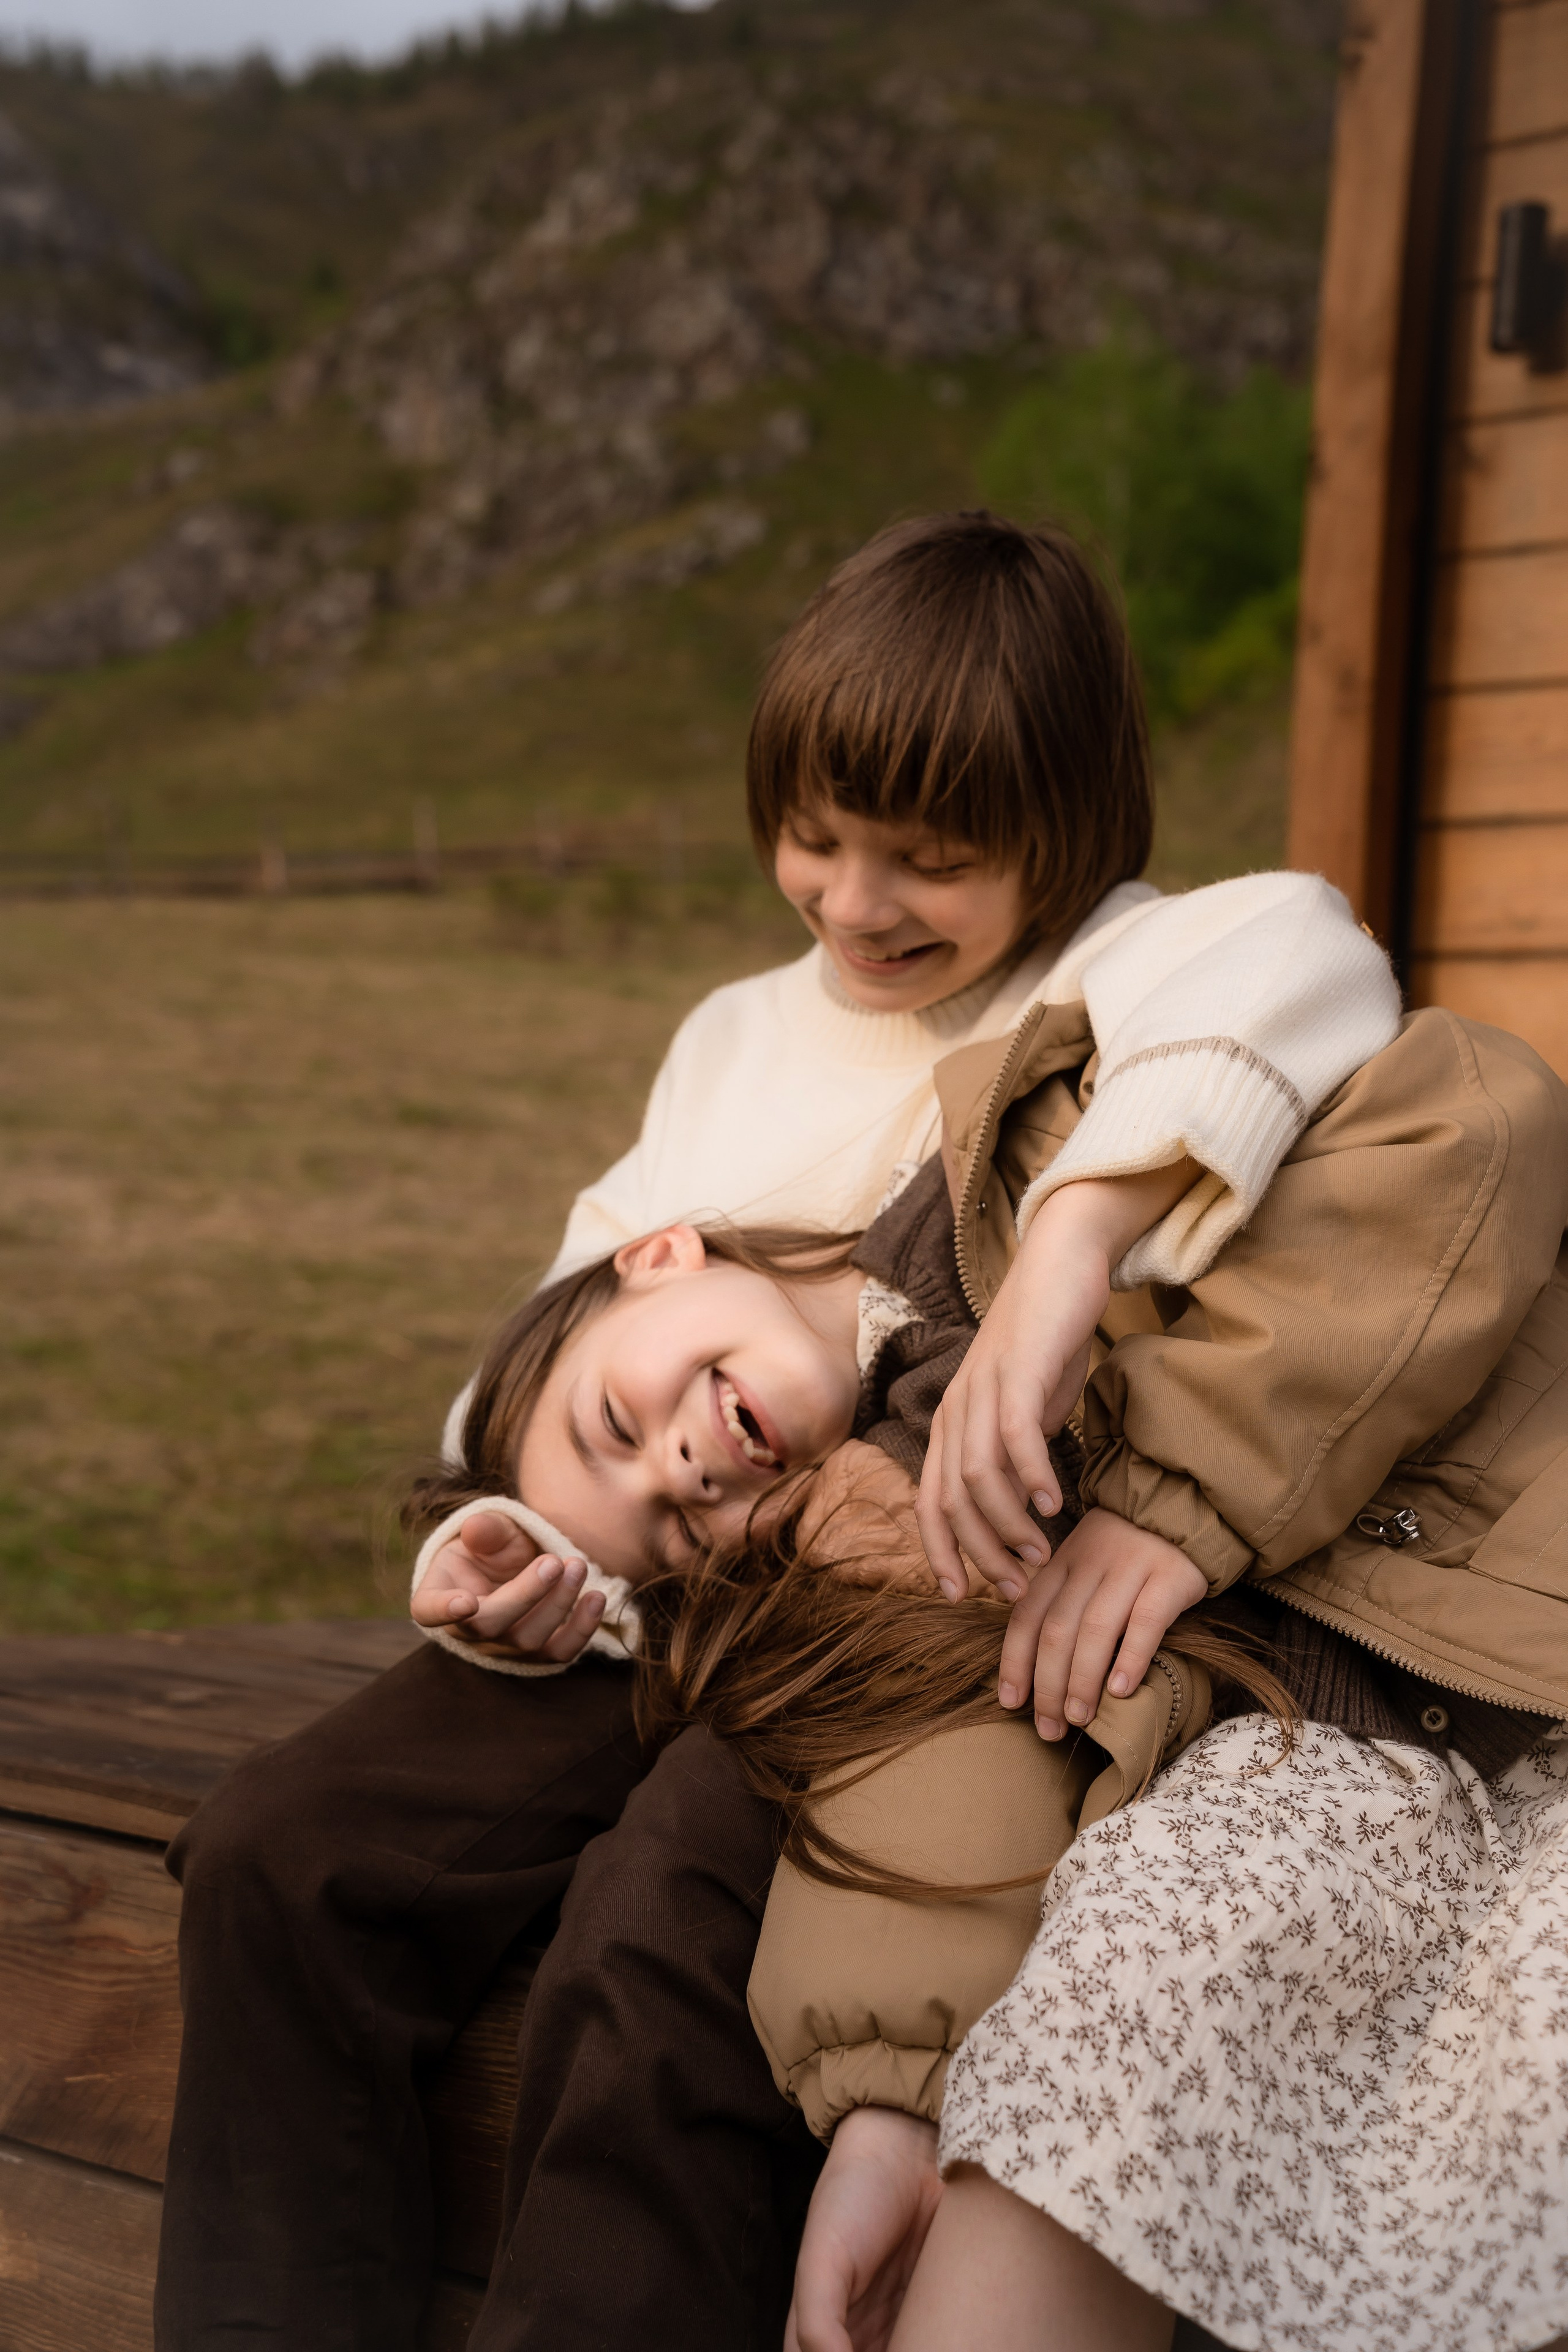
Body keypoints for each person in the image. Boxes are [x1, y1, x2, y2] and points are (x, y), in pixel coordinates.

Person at [154, 512, 1398, 2352]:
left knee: (659, 1934)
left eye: (932, 860)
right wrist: (526, 1547)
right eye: (813, 839)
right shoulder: (737, 1039)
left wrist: (1066, 1253)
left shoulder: (1131, 977)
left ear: (1066, 827)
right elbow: (560, 1338)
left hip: (874, 1656)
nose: (853, 903)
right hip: (637, 1604)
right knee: (279, 1846)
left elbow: (1307, 954)